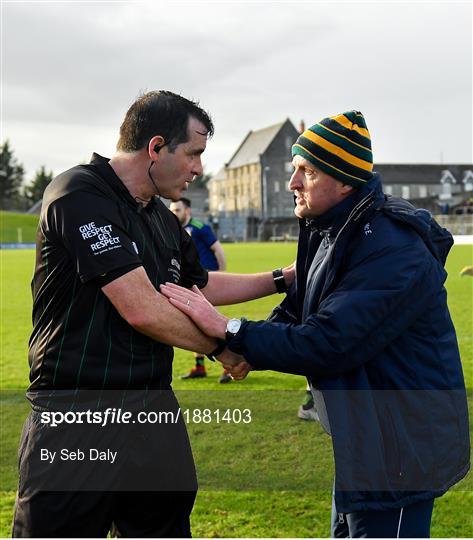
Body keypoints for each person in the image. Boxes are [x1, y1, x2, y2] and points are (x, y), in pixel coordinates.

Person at [161, 111, 470, 537]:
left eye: (306, 171)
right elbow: (298, 306)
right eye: (293, 169)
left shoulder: (393, 248)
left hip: (400, 450)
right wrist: (236, 346)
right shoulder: (331, 227)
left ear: (344, 180)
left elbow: (327, 340)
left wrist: (230, 330)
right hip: (367, 441)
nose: (292, 183)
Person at [13, 90, 295, 537]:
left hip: (152, 411)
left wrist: (281, 278)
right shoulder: (79, 193)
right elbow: (141, 308)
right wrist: (225, 346)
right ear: (156, 147)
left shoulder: (161, 219)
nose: (200, 169)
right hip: (78, 416)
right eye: (194, 154)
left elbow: (198, 285)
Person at [170, 197, 231, 383]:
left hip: (208, 281)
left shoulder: (199, 227)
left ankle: (228, 367)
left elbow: (218, 249)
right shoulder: (174, 229)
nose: (174, 214)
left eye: (178, 210)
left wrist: (221, 274)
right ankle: (199, 366)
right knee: (194, 324)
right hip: (191, 284)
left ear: (187, 211)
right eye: (172, 210)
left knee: (215, 325)